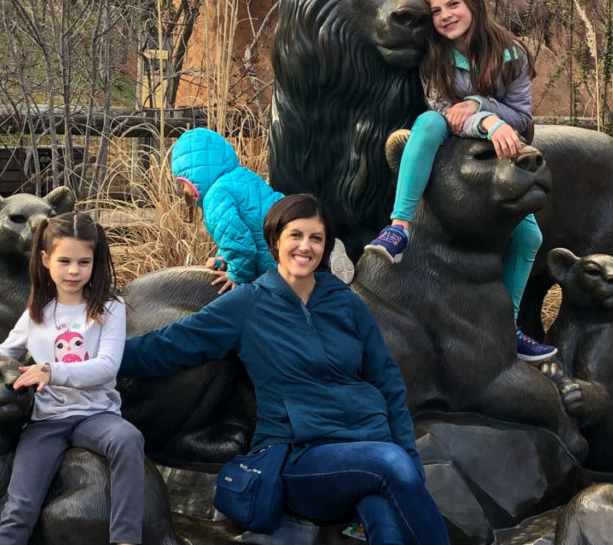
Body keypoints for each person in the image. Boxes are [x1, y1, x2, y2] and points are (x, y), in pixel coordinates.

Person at [120, 194, 450, 545]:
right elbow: (172, 344)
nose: (305, 247)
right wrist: (91, 361)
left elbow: (387, 382)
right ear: (275, 239)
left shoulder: (346, 303)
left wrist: (410, 466)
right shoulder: (248, 304)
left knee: (387, 515)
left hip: (370, 445)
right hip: (303, 457)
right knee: (391, 465)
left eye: (316, 238)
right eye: (296, 235)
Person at [364, 0, 556, 364]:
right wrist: (485, 119)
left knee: (529, 238)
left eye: (453, 4)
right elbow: (443, 112)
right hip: (453, 151)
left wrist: (484, 106)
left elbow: (523, 115)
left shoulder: (511, 52)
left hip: (496, 157)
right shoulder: (434, 57)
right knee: (427, 121)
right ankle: (398, 227)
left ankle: (509, 325)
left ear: (472, 3)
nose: (446, 15)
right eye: (435, 10)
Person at [0, 212, 144, 545]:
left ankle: (127, 539)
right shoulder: (37, 310)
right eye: (65, 261)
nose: (74, 270)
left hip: (97, 415)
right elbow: (4, 353)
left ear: (94, 262)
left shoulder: (109, 307)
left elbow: (106, 367)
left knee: (128, 439)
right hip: (46, 421)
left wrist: (51, 370)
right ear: (46, 260)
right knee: (20, 501)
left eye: (83, 262)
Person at [171, 127, 285, 293]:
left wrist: (235, 276)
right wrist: (221, 259)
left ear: (195, 177)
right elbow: (241, 233)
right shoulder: (243, 177)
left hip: (276, 270)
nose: (185, 191)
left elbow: (242, 247)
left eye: (183, 183)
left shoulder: (214, 198)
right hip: (291, 251)